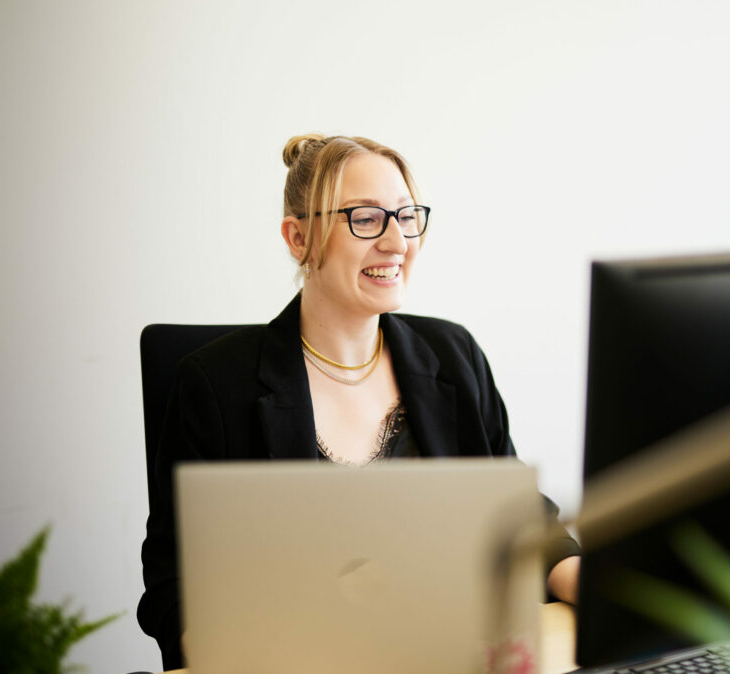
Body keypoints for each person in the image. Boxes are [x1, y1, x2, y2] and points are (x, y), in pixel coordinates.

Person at [137, 134, 581, 669]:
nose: (397, 243)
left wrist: (594, 583)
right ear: (298, 238)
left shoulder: (454, 354)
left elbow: (523, 520)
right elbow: (173, 584)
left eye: (407, 216)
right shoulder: (212, 384)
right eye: (366, 219)